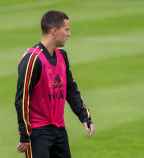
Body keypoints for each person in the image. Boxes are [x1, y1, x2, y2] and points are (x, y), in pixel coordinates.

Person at [15, 10, 95, 158]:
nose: (69, 34)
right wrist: (25, 135)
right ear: (53, 30)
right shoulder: (33, 60)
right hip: (37, 133)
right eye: (66, 29)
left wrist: (84, 116)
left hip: (59, 130)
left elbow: (70, 89)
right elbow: (22, 100)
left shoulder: (62, 56)